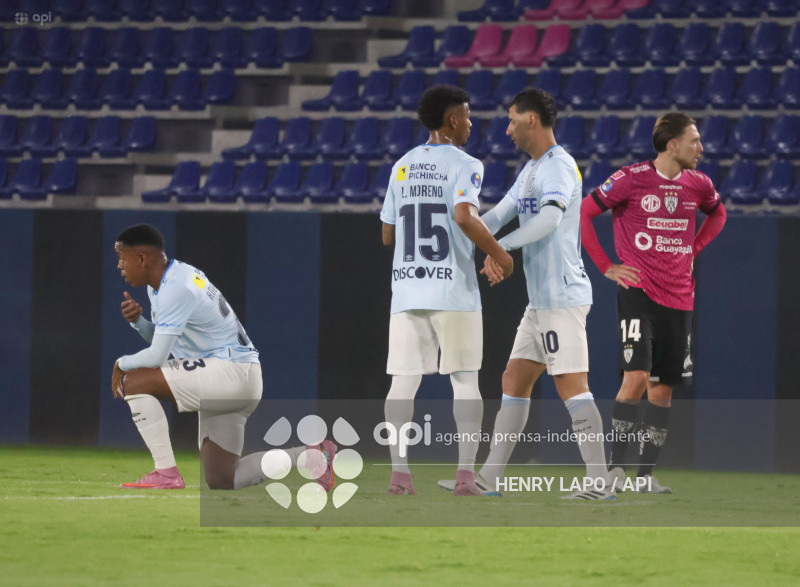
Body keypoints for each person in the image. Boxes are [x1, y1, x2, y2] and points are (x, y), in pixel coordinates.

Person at [439, 87, 614, 501]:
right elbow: (499, 213)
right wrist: (469, 236)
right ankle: (490, 477)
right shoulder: (533, 170)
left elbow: (549, 221)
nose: (507, 129)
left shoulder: (559, 166)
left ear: (532, 120)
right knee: (514, 379)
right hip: (541, 302)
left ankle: (599, 481)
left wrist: (502, 249)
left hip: (562, 298)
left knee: (571, 383)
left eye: (513, 120)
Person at [112, 224, 335, 490]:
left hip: (229, 372)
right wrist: (139, 322)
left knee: (135, 382)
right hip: (236, 374)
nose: (119, 265)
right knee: (223, 478)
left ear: (141, 258)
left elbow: (157, 356)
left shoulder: (176, 286)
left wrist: (120, 364)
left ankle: (166, 473)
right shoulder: (168, 281)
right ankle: (313, 455)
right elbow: (169, 346)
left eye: (121, 257)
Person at [580, 112, 727, 493]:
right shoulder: (631, 179)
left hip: (680, 298)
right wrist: (606, 266)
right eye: (695, 140)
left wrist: (693, 248)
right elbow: (586, 210)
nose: (702, 148)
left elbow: (718, 213)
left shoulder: (699, 184)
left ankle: (644, 478)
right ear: (672, 144)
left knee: (663, 390)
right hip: (639, 293)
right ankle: (614, 471)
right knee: (636, 378)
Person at [380, 84, 514, 496]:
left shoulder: (401, 165)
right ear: (452, 120)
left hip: (406, 290)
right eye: (468, 117)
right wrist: (501, 254)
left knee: (402, 383)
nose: (471, 124)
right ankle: (464, 476)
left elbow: (387, 233)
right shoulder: (466, 163)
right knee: (464, 381)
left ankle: (399, 475)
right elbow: (463, 215)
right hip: (453, 290)